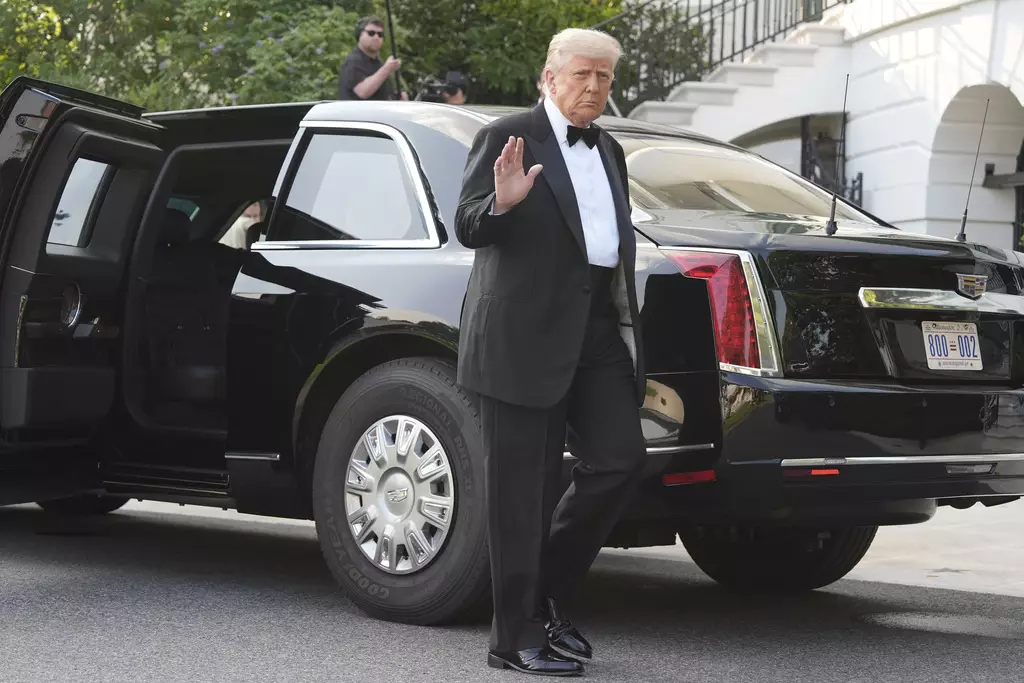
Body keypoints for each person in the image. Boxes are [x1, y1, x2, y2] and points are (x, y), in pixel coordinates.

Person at [454, 28, 646, 677]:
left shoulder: (610, 148)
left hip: (594, 329)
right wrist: (502, 203)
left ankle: (545, 595)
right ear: (550, 77)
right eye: (582, 74)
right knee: (520, 493)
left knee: (620, 459)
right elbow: (467, 223)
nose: (593, 87)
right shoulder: (508, 135)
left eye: (604, 77)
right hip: (522, 335)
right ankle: (512, 638)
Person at [337, 15, 408, 101]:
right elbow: (362, 92)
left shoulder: (378, 63)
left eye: (380, 34)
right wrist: (386, 69)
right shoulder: (353, 61)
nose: (376, 37)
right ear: (360, 34)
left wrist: (398, 97)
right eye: (371, 33)